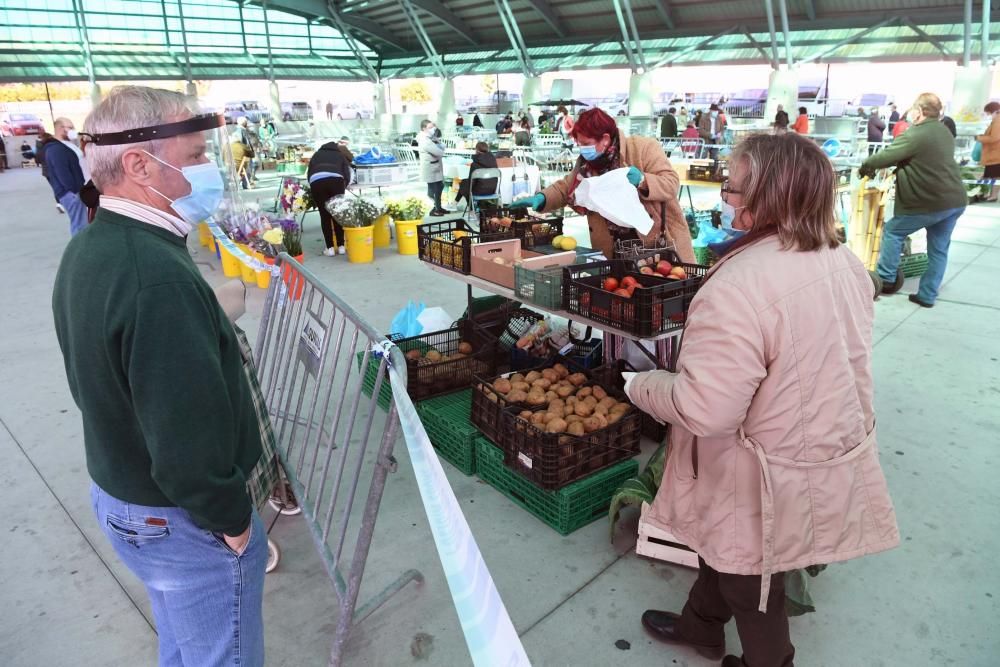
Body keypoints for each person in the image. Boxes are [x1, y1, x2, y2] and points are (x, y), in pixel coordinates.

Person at [628, 132, 899, 667]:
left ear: (763, 199)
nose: (723, 199)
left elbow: (706, 408)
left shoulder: (739, 286)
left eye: (729, 188)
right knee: (726, 546)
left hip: (758, 463)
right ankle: (700, 626)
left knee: (749, 576)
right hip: (816, 443)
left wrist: (642, 386)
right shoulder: (843, 260)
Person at [52, 85, 267, 666]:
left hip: (126, 497)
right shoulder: (154, 276)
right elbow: (185, 435)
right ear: (139, 164)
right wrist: (231, 520)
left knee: (187, 646)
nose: (209, 167)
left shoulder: (92, 246)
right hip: (177, 518)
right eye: (196, 154)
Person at [511, 107, 694, 262]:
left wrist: (643, 181)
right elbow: (566, 188)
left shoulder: (643, 148)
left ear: (605, 139)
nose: (582, 148)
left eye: (586, 143)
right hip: (614, 247)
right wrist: (542, 198)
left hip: (656, 244)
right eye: (579, 143)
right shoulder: (586, 165)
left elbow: (671, 183)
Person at [859, 93, 967, 308]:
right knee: (938, 249)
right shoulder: (944, 131)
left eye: (912, 110)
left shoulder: (917, 134)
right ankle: (927, 295)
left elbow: (884, 157)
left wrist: (866, 166)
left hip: (929, 202)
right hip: (954, 201)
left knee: (893, 231)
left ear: (920, 111)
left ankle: (885, 278)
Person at [44, 117, 89, 236]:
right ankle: (79, 251)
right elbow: (62, 172)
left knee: (81, 224)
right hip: (71, 193)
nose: (73, 130)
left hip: (74, 191)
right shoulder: (55, 149)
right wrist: (74, 190)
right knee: (80, 226)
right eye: (70, 127)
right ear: (60, 129)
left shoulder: (64, 146)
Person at [308, 139, 352, 256]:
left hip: (317, 182)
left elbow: (309, 173)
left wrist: (313, 185)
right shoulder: (339, 154)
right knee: (337, 213)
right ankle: (341, 246)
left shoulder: (316, 155)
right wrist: (344, 185)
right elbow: (346, 172)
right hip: (336, 181)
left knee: (324, 215)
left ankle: (330, 248)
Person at [455, 141, 498, 207]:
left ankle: (471, 209)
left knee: (464, 185)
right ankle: (455, 203)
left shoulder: (474, 164)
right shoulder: (493, 161)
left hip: (479, 191)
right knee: (465, 184)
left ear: (477, 150)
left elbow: (471, 182)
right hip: (492, 190)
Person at [417, 119, 446, 216]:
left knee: (439, 186)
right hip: (430, 168)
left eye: (433, 127)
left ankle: (439, 207)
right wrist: (440, 146)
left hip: (434, 167)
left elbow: (441, 146)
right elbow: (440, 152)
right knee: (433, 189)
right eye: (430, 127)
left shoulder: (430, 138)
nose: (433, 129)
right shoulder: (425, 140)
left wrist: (439, 144)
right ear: (424, 128)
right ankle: (434, 209)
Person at [975, 101, 1000, 202]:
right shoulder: (996, 120)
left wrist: (980, 138)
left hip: (995, 153)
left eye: (988, 113)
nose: (988, 115)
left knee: (994, 175)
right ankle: (991, 194)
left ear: (993, 111)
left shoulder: (998, 121)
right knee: (993, 175)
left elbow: (994, 137)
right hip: (995, 153)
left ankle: (992, 195)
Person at [234, 117, 257, 186]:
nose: (247, 123)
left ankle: (246, 183)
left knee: (248, 167)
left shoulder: (243, 130)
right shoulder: (240, 131)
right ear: (243, 123)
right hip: (245, 153)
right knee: (247, 168)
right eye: (245, 122)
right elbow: (240, 142)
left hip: (247, 152)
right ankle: (245, 183)